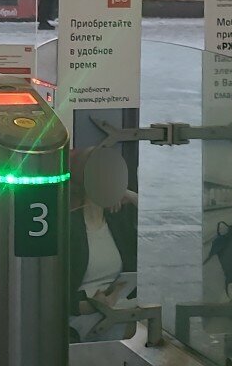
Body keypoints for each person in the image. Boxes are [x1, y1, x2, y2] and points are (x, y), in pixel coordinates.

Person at [69, 147, 138, 343]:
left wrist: (132, 197)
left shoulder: (116, 220)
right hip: (79, 316)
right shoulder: (67, 226)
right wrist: (88, 305)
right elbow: (52, 294)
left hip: (115, 308)